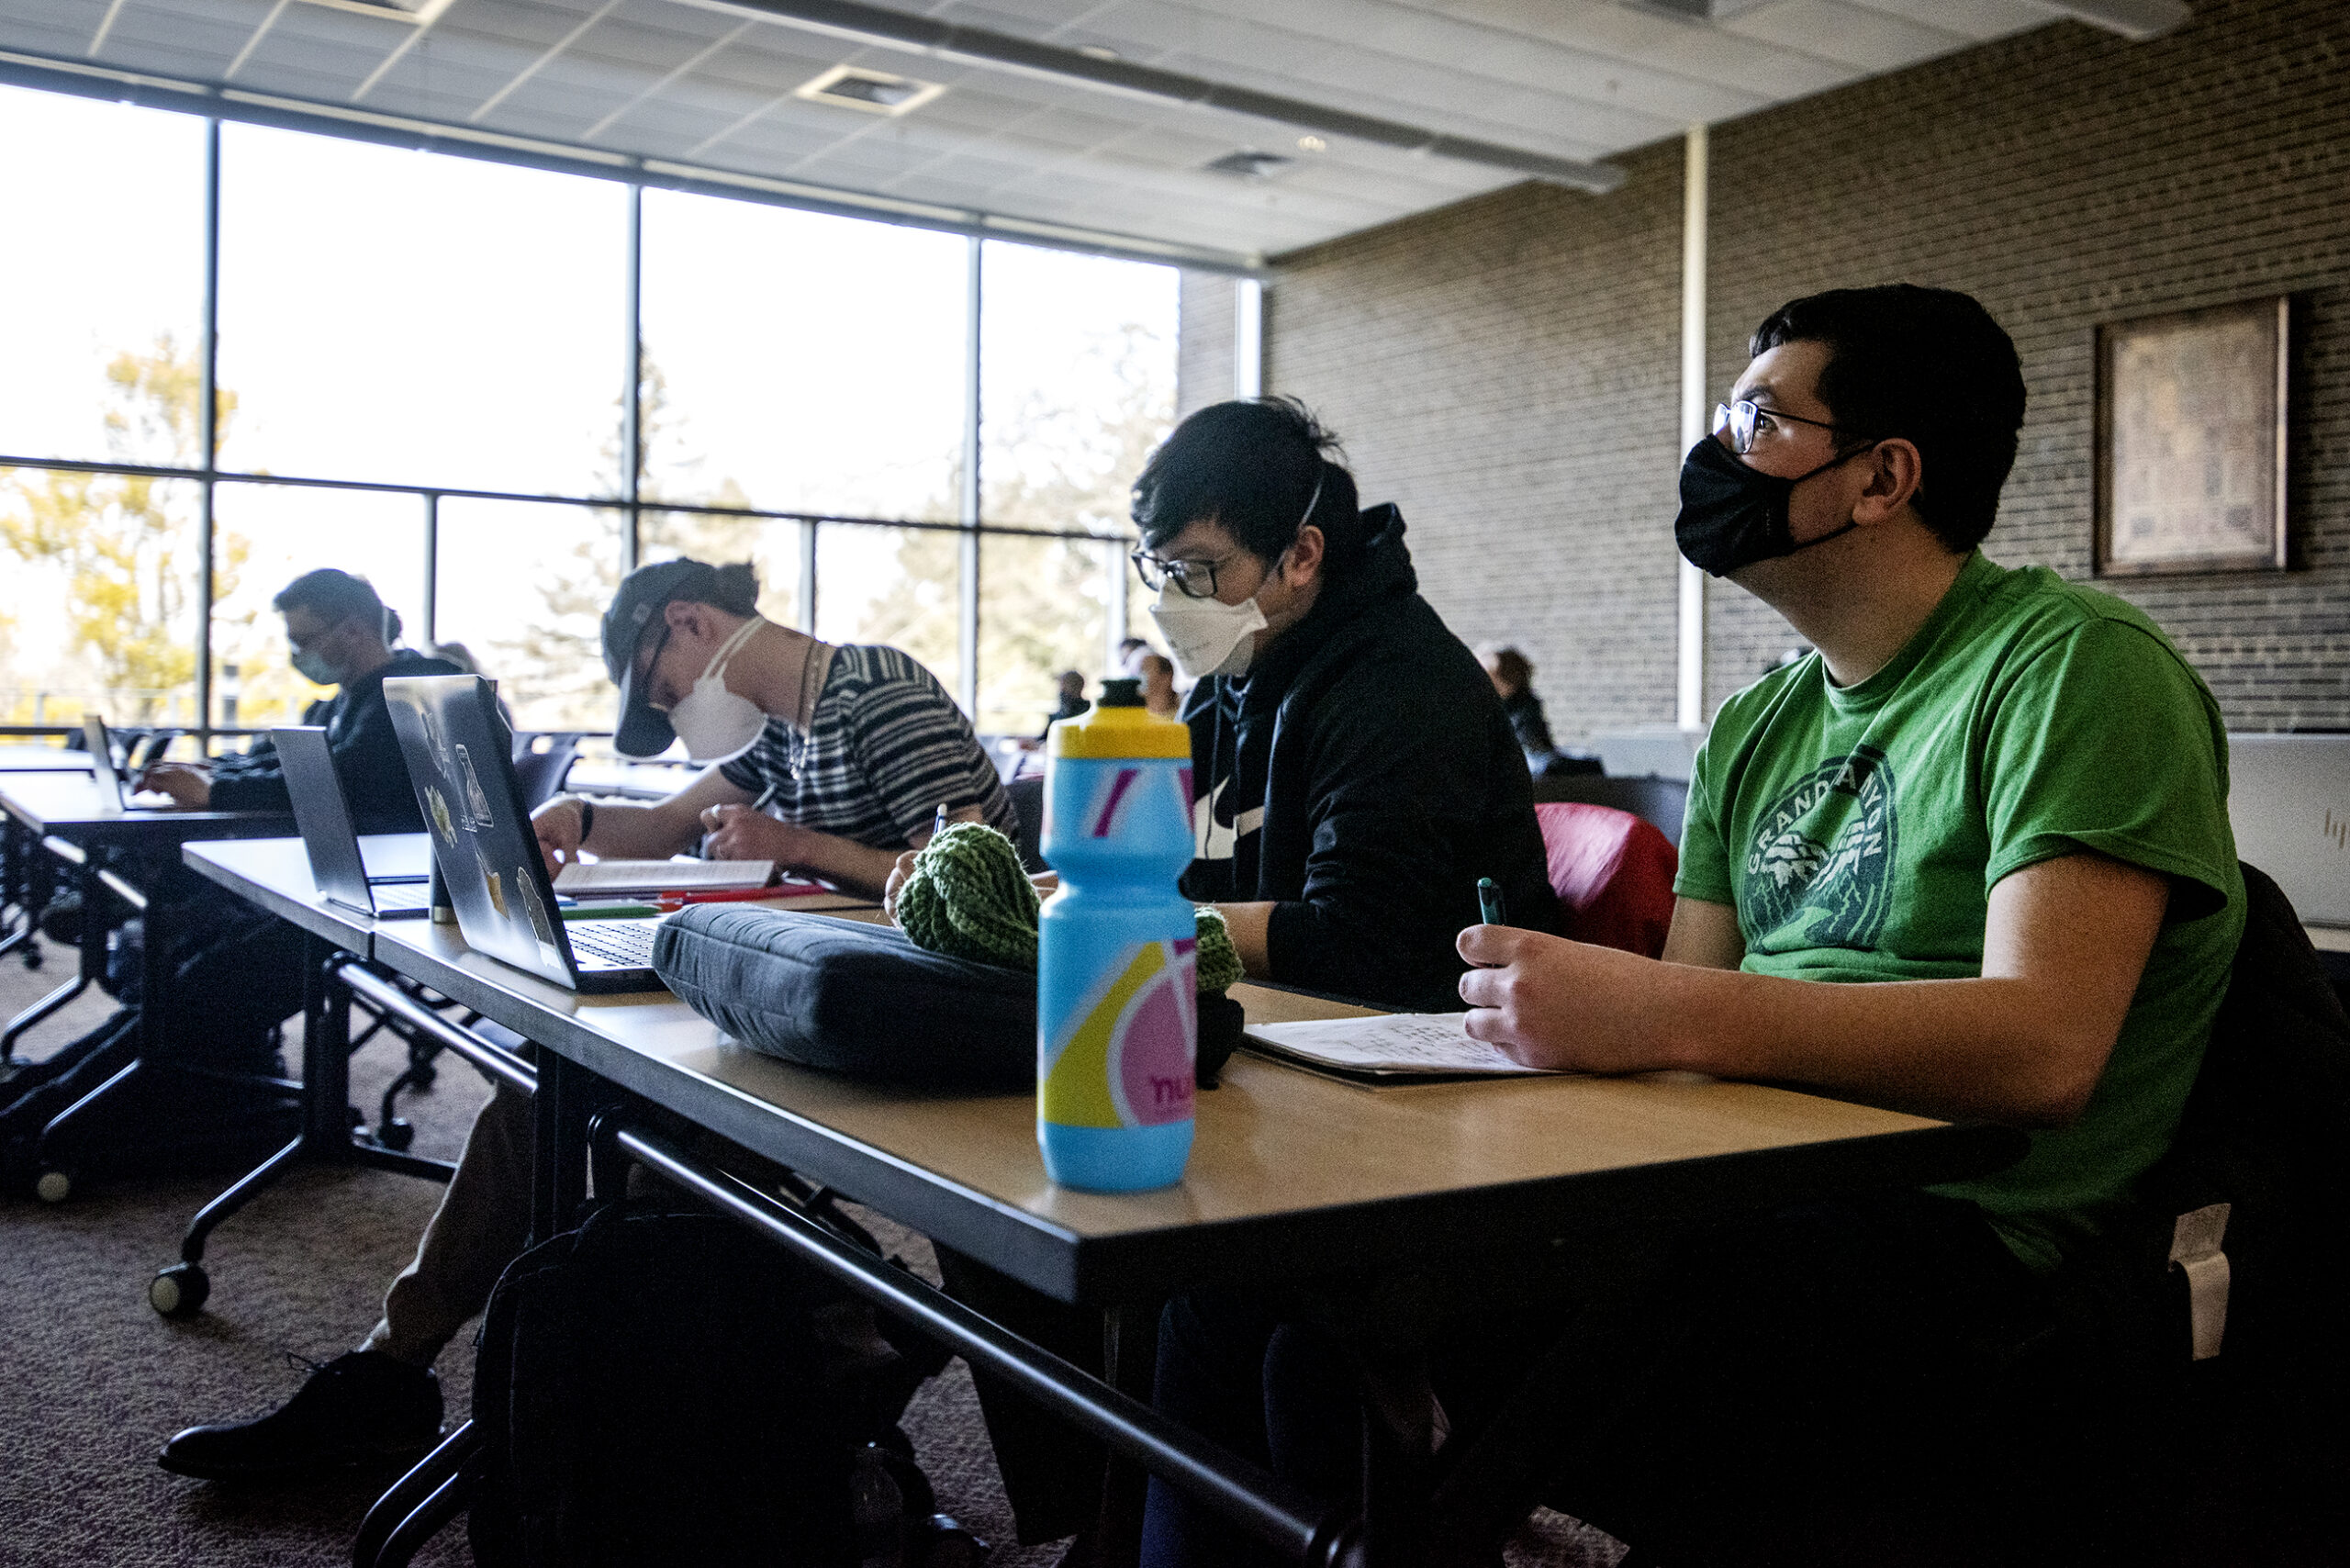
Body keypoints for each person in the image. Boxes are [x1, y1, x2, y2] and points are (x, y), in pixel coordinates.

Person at [1144, 287, 2246, 1565]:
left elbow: (2044, 1050)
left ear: (1883, 475)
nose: (1717, 448)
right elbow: (1679, 1050)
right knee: (1245, 1292)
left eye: (1759, 419)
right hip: (1748, 1185)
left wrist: (1655, 1012)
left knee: (1336, 1335)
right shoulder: (1757, 722)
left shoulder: (2076, 667)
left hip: (1948, 1240)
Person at [158, 557, 1015, 1483]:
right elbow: (673, 821)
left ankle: (791, 1358)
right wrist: (581, 813)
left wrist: (797, 844)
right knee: (555, 1084)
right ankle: (404, 1372)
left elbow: (969, 870)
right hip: (812, 1001)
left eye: (665, 690)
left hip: (922, 1022)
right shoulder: (786, 731)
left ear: (687, 622)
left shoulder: (877, 689)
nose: (679, 710)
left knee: (592, 1113)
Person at [1133, 395, 1558, 1011]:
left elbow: (1357, 939)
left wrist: (1119, 920)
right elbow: (1160, 875)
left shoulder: (1403, 688)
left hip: (1422, 1053)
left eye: (1198, 570)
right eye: (1161, 570)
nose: (1175, 601)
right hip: (1284, 1025)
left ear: (1302, 555)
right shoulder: (1230, 677)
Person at [138, 568, 457, 831]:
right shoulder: (339, 703)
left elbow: (344, 780)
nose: (298, 655)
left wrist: (215, 790)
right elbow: (286, 760)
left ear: (353, 632)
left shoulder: (408, 696)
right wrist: (211, 770)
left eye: (303, 641)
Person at [1475, 644, 1559, 770]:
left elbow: (1529, 755)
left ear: (1506, 682)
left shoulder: (1524, 712)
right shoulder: (1491, 708)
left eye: (1487, 675)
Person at [1133, 649, 1181, 720]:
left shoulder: (1181, 717)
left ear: (1166, 678)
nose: (1138, 676)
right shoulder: (1133, 717)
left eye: (1144, 669)